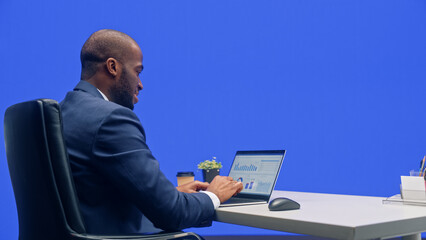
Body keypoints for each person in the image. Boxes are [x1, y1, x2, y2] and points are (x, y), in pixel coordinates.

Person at [60, 29, 243, 234]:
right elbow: (172, 214)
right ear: (112, 67)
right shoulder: (110, 119)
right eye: (137, 72)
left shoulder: (63, 112)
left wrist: (168, 196)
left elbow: (91, 193)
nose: (140, 84)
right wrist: (213, 195)